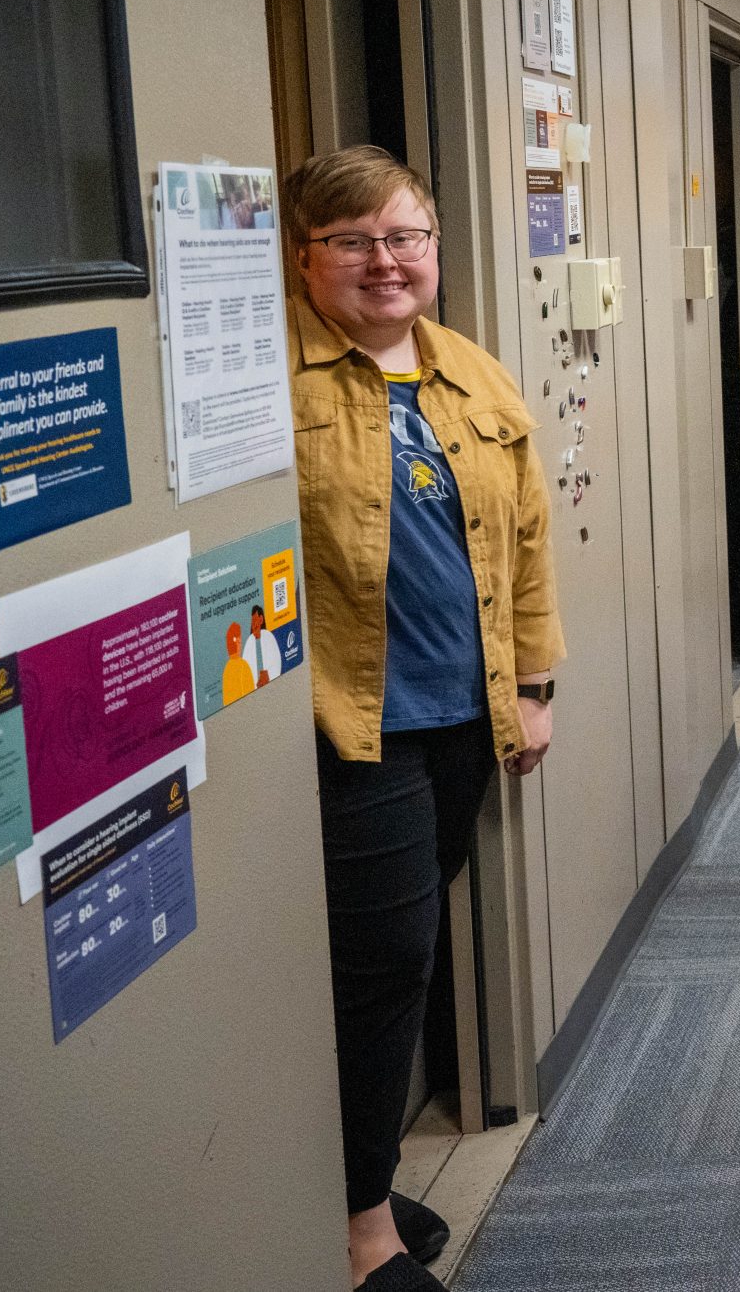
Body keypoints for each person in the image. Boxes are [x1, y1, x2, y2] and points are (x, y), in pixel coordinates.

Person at [286, 146, 562, 1292]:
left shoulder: (473, 377)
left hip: (467, 715)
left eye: (406, 238)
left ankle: (350, 1176)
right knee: (383, 964)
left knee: (396, 956)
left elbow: (528, 542)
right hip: (357, 726)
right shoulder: (271, 386)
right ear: (305, 258)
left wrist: (536, 689)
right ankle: (359, 1230)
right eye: (353, 242)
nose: (385, 262)